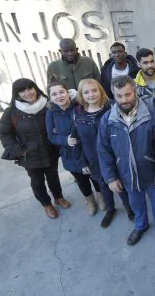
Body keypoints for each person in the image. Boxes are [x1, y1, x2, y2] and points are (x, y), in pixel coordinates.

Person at [97, 75, 155, 246]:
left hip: (151, 172)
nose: (124, 100)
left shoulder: (152, 114)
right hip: (126, 174)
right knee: (135, 203)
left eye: (127, 95)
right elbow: (103, 151)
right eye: (119, 96)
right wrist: (111, 177)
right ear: (113, 95)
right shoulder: (108, 120)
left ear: (136, 92)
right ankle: (140, 225)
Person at [0, 78, 71, 219]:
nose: (27, 93)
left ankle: (58, 197)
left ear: (35, 88)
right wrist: (20, 151)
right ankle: (46, 204)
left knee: (53, 176)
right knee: (37, 181)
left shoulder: (48, 105)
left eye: (30, 88)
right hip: (29, 154)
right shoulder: (12, 112)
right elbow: (4, 133)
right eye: (22, 90)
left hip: (50, 150)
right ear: (17, 94)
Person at [70, 79, 134, 228]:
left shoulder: (112, 108)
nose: (91, 94)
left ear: (100, 91)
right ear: (81, 94)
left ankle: (129, 208)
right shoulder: (78, 114)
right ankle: (110, 210)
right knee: (103, 186)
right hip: (92, 159)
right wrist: (82, 162)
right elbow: (75, 140)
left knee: (120, 185)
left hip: (114, 157)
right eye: (86, 92)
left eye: (94, 90)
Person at [46, 81, 102, 216]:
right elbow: (51, 135)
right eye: (54, 94)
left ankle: (101, 196)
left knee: (94, 175)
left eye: (61, 92)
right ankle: (89, 201)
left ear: (67, 92)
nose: (59, 96)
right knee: (81, 180)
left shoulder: (79, 106)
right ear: (50, 97)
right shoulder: (51, 113)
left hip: (86, 149)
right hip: (69, 153)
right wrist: (64, 140)